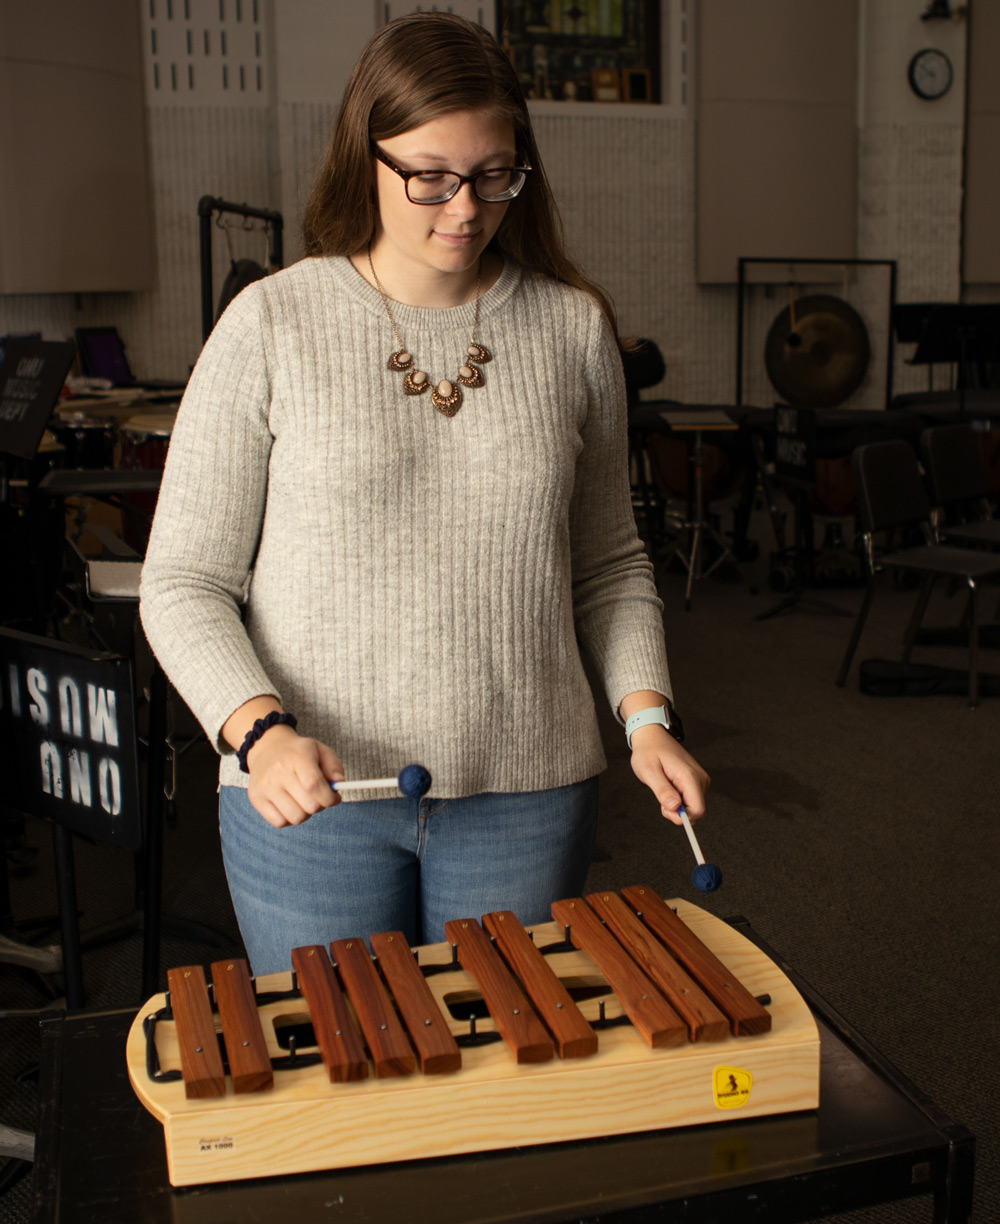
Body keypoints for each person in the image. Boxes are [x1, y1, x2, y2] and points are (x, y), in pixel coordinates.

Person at [139, 11, 709, 975]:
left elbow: (609, 563)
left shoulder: (573, 331)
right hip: (314, 798)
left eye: (494, 175)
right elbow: (184, 581)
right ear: (366, 155)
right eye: (430, 177)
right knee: (344, 1078)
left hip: (527, 793)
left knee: (506, 1080)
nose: (464, 209)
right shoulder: (273, 322)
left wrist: (646, 719)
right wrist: (258, 733)